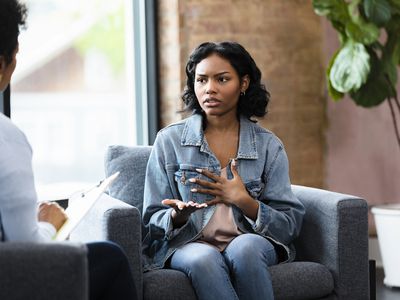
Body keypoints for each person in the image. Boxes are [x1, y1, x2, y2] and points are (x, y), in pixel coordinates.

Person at [142, 41, 306, 300]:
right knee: (203, 258)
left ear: (243, 83)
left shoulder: (268, 146)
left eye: (222, 79)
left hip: (250, 239)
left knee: (245, 249)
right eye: (201, 80)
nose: (209, 89)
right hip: (189, 243)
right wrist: (176, 218)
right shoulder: (168, 141)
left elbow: (289, 226)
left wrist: (244, 201)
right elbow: (150, 221)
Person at [0, 1, 138, 299]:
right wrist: (50, 225)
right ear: (2, 65)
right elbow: (30, 254)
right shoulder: (6, 137)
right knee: (110, 258)